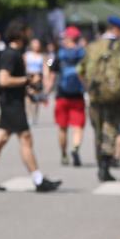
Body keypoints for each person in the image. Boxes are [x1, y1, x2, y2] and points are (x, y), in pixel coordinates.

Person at [0, 21, 61, 193]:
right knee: (25, 139)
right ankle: (38, 180)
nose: (30, 34)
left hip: (10, 102)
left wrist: (28, 91)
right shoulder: (12, 55)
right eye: (27, 31)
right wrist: (28, 80)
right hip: (12, 104)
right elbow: (4, 80)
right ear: (20, 33)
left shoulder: (13, 53)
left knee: (0, 139)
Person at [78, 16, 120, 181]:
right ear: (117, 29)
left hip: (95, 95)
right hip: (115, 97)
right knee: (111, 129)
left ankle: (100, 165)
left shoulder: (92, 46)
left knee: (98, 132)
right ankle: (106, 166)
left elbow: (80, 70)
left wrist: (88, 88)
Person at [45, 26, 87, 167]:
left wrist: (47, 91)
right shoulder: (82, 53)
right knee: (78, 126)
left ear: (68, 37)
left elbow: (52, 72)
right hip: (78, 95)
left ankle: (63, 154)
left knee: (62, 127)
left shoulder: (59, 53)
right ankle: (75, 148)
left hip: (62, 95)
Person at [24, 38, 47, 125]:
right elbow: (23, 66)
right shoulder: (27, 55)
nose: (36, 46)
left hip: (38, 78)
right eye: (34, 44)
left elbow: (48, 65)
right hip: (29, 77)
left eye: (38, 44)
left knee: (36, 99)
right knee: (28, 98)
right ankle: (28, 116)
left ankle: (35, 116)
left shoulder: (42, 56)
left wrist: (45, 77)